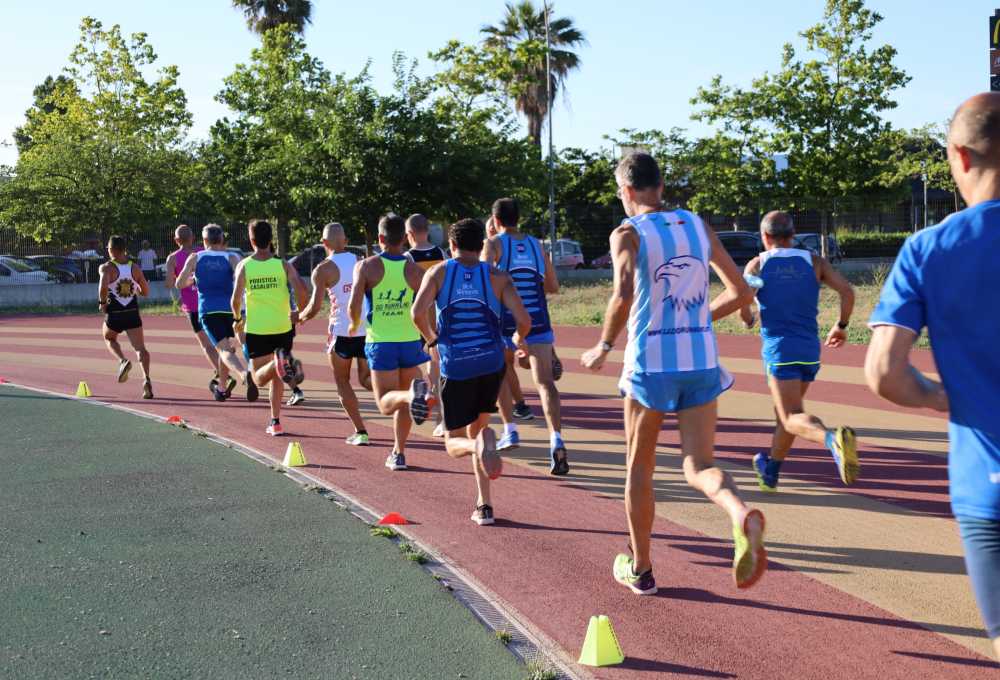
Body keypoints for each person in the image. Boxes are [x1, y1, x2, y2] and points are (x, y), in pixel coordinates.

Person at [580, 152, 765, 595]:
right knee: (700, 465)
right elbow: (740, 291)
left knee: (638, 468)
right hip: (701, 361)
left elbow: (622, 293)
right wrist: (700, 319)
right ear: (661, 186)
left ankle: (641, 569)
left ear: (626, 191)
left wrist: (604, 344)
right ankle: (738, 513)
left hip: (651, 366)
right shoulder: (697, 225)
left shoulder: (627, 232)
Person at [865, 92, 1000, 659]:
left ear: (960, 158)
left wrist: (946, 395)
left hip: (986, 486)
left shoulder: (929, 248)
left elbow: (885, 375)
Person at [412, 218, 532, 525]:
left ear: (452, 245)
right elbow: (524, 320)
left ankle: (478, 447)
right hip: (490, 363)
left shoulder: (439, 272)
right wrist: (517, 342)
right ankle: (485, 505)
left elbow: (417, 313)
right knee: (480, 428)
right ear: (482, 245)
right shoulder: (497, 276)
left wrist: (431, 340)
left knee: (454, 442)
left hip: (457, 365)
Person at [740, 211, 858, 491]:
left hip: (780, 349)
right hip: (808, 349)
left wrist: (748, 317)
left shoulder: (758, 264)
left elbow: (743, 302)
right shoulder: (815, 262)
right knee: (790, 415)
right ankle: (771, 470)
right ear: (792, 235)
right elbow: (848, 292)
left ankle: (832, 440)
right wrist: (840, 325)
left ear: (765, 236)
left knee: (791, 417)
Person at [482, 198, 567, 474]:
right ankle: (556, 439)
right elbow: (553, 285)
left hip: (505, 322)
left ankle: (510, 429)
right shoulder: (536, 245)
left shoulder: (494, 244)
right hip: (538, 322)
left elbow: (484, 282)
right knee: (546, 384)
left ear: (495, 221)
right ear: (520, 218)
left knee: (500, 371)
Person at [348, 214, 430, 471]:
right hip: (409, 341)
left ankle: (410, 395)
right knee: (404, 402)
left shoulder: (367, 266)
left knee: (385, 402)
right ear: (405, 239)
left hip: (381, 342)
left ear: (381, 238)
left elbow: (354, 305)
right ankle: (399, 452)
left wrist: (353, 325)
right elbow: (425, 308)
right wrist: (430, 336)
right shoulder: (416, 271)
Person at [231, 219, 307, 436]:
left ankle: (277, 364)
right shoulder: (283, 264)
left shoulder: (245, 265)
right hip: (283, 328)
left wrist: (237, 320)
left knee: (258, 378)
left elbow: (235, 299)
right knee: (278, 378)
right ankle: (275, 421)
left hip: (258, 329)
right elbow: (302, 289)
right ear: (270, 240)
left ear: (252, 240)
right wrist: (300, 313)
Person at [300, 222, 372, 445]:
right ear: (346, 241)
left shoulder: (323, 269)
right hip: (366, 329)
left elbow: (313, 308)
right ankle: (402, 395)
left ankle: (361, 432)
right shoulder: (363, 263)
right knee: (367, 379)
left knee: (342, 380)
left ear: (324, 243)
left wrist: (298, 317)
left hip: (341, 330)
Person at [176, 224, 258, 403]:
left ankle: (245, 375)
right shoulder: (232, 257)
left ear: (204, 241)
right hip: (230, 310)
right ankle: (221, 388)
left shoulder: (195, 257)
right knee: (226, 348)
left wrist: (192, 280)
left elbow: (179, 283)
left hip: (208, 310)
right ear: (221, 239)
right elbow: (244, 280)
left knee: (223, 350)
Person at [486, 218, 534, 422]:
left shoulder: (494, 252)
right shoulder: (527, 247)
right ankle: (519, 405)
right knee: (506, 365)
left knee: (504, 364)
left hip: (506, 315)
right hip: (521, 312)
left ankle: (518, 407)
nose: (490, 232)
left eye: (491, 228)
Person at [404, 214, 448, 436]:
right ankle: (439, 412)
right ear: (427, 230)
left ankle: (424, 394)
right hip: (437, 317)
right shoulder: (441, 254)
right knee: (436, 364)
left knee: (416, 365)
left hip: (415, 318)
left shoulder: (407, 258)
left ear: (409, 234)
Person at [165, 225, 221, 392]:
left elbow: (169, 284)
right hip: (213, 302)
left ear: (176, 240)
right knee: (219, 341)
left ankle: (222, 373)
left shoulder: (173, 258)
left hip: (193, 308)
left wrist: (177, 277)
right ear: (193, 237)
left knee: (206, 345)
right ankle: (225, 369)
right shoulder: (201, 253)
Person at [98, 235, 153, 399]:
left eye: (108, 248)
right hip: (132, 312)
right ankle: (146, 379)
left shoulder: (107, 267)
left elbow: (102, 287)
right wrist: (135, 289)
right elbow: (145, 291)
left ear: (112, 249)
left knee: (109, 338)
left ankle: (122, 360)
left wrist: (102, 303)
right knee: (140, 348)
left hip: (115, 312)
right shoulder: (134, 268)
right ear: (124, 249)